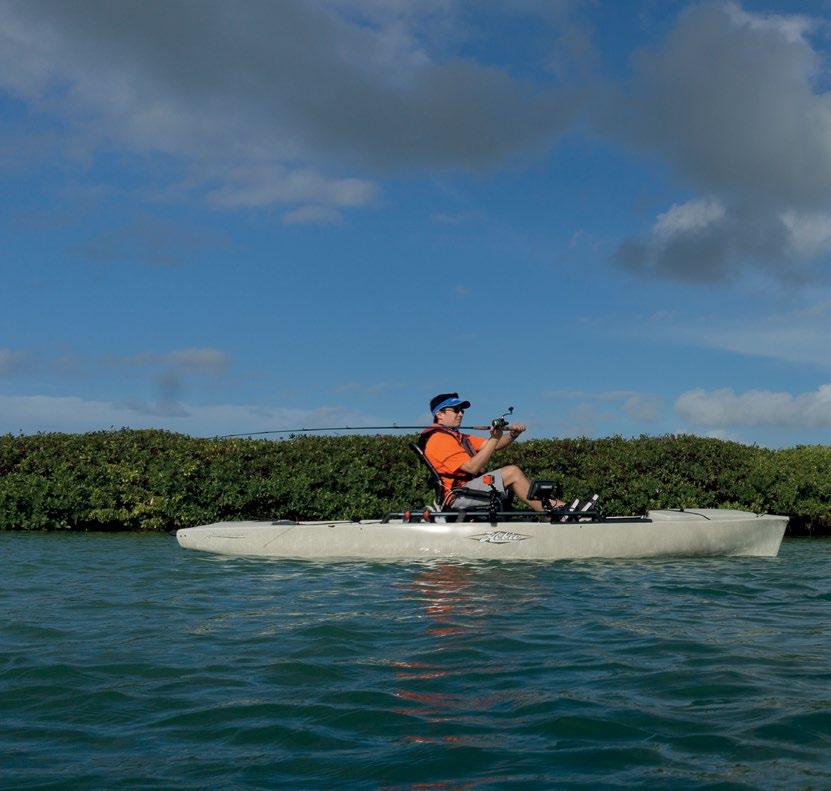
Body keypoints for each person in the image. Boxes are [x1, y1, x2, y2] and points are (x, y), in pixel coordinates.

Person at [420, 392, 564, 512]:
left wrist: (512, 434)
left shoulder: (458, 436)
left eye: (462, 410)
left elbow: (492, 445)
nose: (461, 414)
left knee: (519, 478)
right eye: (456, 410)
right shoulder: (439, 439)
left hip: (467, 489)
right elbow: (472, 467)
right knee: (512, 472)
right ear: (439, 414)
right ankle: (556, 512)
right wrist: (495, 437)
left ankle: (557, 507)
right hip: (457, 496)